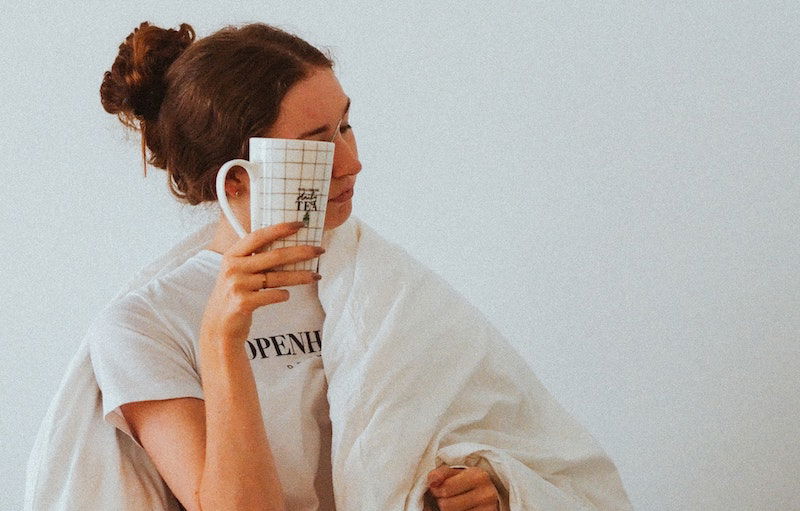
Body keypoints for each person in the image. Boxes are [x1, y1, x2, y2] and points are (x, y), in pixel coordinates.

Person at [95, 21, 506, 511]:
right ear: (235, 179)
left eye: (345, 127)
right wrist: (221, 341)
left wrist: (487, 488)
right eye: (316, 145)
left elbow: (493, 434)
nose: (351, 163)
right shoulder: (145, 326)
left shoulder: (383, 282)